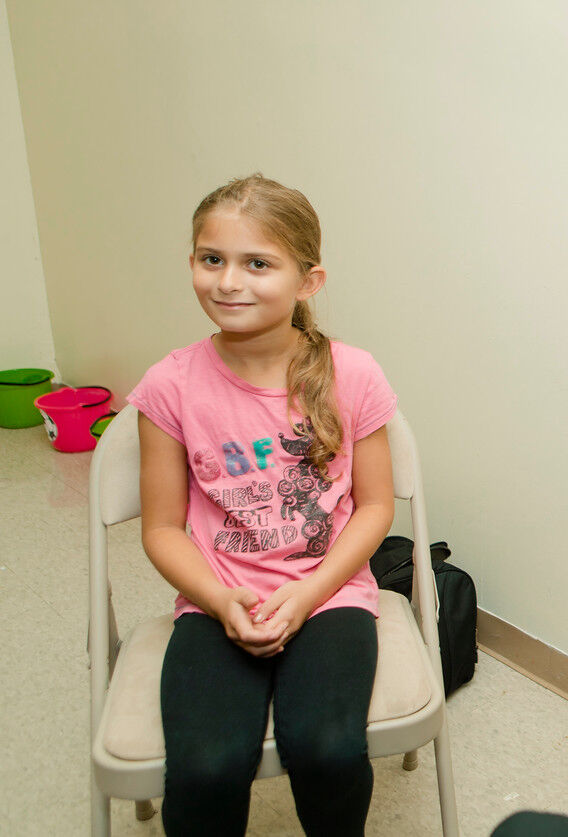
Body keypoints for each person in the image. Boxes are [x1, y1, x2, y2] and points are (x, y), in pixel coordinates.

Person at [130, 174, 398, 835]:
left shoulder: (353, 373)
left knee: (329, 749)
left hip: (328, 596)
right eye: (210, 258)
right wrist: (220, 600)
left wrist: (308, 593)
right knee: (206, 767)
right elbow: (162, 529)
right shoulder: (170, 384)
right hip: (217, 597)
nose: (228, 282)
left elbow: (375, 507)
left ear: (309, 280)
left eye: (258, 263)